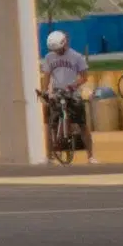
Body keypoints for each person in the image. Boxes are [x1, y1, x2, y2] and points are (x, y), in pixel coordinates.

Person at [41, 31, 92, 162]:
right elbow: (46, 76)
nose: (57, 52)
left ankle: (91, 156)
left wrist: (73, 85)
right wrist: (44, 90)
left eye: (58, 49)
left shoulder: (77, 57)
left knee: (82, 124)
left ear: (65, 44)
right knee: (48, 121)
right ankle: (49, 155)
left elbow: (84, 77)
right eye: (54, 50)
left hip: (72, 92)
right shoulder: (48, 57)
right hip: (57, 91)